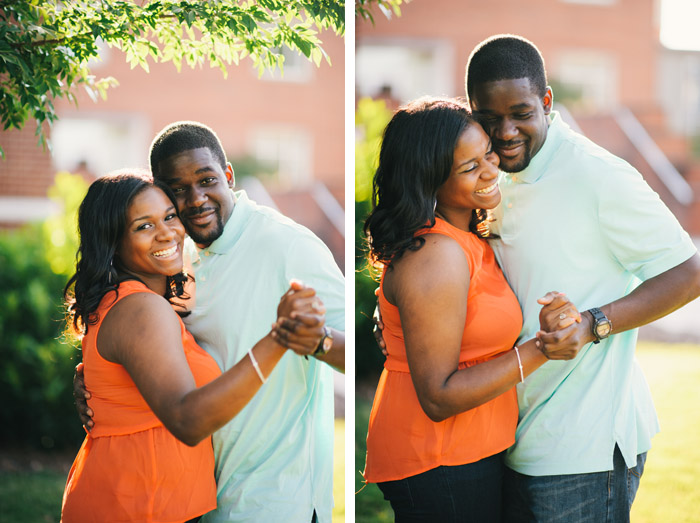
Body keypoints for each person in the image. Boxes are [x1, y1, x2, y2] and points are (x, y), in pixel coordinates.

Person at [466, 35, 700, 521]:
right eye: (490, 119)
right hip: (512, 435)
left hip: (584, 451)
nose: (506, 131)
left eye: (522, 114)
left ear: (547, 102)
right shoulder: (493, 175)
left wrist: (595, 322)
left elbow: (689, 272)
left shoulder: (598, 175)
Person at [75, 122, 345, 522]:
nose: (195, 199)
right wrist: (99, 381)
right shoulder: (177, 261)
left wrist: (315, 339)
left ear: (229, 176)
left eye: (207, 180)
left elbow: (364, 351)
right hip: (193, 496)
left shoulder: (288, 245)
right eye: (177, 191)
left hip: (273, 498)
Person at [362, 97, 584, 522]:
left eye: (487, 153)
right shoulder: (437, 254)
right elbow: (438, 396)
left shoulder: (464, 238)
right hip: (438, 458)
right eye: (469, 168)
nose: (490, 169)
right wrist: (542, 349)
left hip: (469, 450)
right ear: (429, 181)